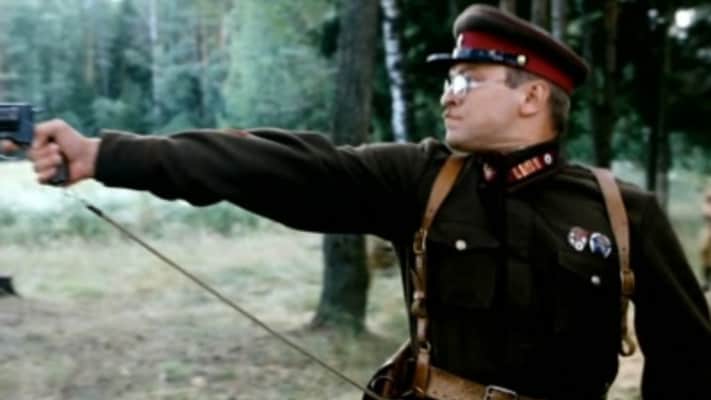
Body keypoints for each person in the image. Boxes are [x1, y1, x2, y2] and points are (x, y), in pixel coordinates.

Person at [3, 4, 710, 400]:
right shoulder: (421, 180)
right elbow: (275, 165)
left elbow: (686, 362)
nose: (448, 95)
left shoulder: (623, 212)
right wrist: (104, 155)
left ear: (531, 97)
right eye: (447, 80)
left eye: (468, 79)